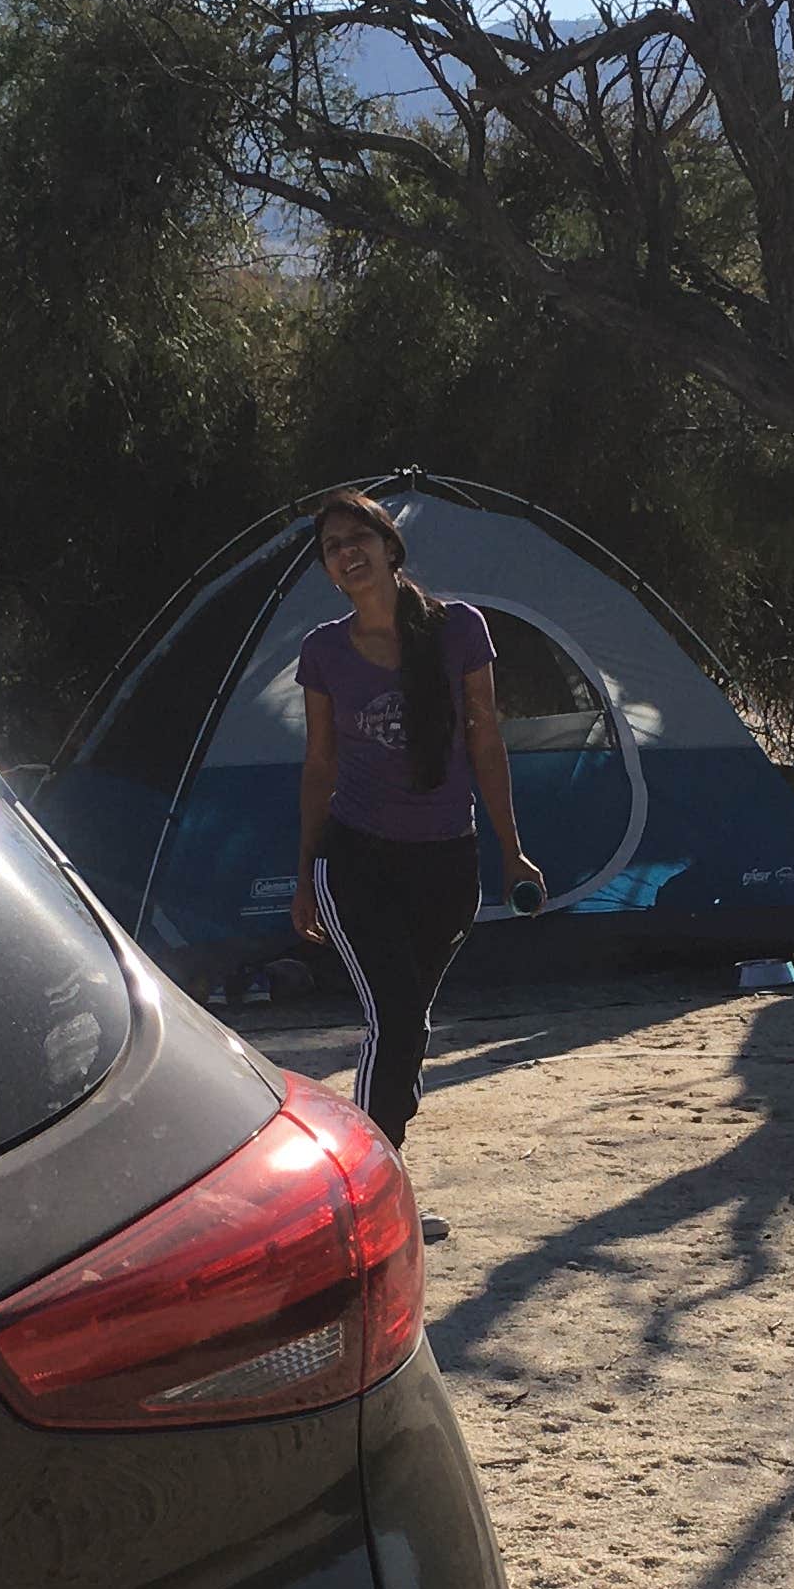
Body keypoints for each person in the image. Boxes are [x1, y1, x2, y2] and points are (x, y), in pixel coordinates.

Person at [288, 490, 541, 1159]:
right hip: (356, 862)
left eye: (357, 539)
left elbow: (486, 741)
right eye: (332, 549)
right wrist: (305, 874)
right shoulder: (323, 652)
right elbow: (320, 765)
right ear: (328, 571)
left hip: (447, 864)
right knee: (396, 1021)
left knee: (410, 1026)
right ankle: (377, 1180)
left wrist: (513, 852)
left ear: (389, 547)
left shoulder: (460, 629)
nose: (346, 554)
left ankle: (379, 1180)